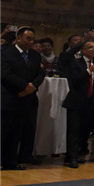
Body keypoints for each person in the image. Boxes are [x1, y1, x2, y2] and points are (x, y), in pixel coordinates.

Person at [1, 26, 45, 170]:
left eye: (33, 39)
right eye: (28, 39)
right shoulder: (5, 53)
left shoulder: (35, 55)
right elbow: (5, 74)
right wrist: (25, 86)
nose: (31, 42)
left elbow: (41, 73)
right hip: (9, 97)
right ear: (18, 38)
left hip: (27, 99)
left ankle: (10, 161)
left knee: (17, 131)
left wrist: (32, 87)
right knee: (4, 130)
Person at [62, 40, 94, 168]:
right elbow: (75, 80)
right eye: (90, 47)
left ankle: (77, 154)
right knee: (73, 130)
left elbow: (93, 86)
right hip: (76, 101)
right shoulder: (76, 62)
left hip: (89, 102)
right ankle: (71, 157)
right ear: (83, 50)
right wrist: (88, 71)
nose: (93, 49)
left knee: (84, 130)